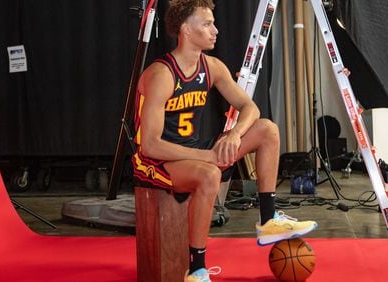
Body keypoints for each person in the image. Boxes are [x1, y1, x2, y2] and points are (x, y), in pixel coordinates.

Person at [132, 0, 317, 281]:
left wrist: (234, 134)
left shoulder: (212, 66)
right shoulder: (162, 74)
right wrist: (209, 157)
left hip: (191, 151)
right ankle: (196, 270)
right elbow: (150, 145)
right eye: (207, 24)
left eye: (213, 23)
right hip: (155, 161)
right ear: (185, 30)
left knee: (267, 129)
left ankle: (267, 220)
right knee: (208, 174)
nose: (215, 30)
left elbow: (250, 107)